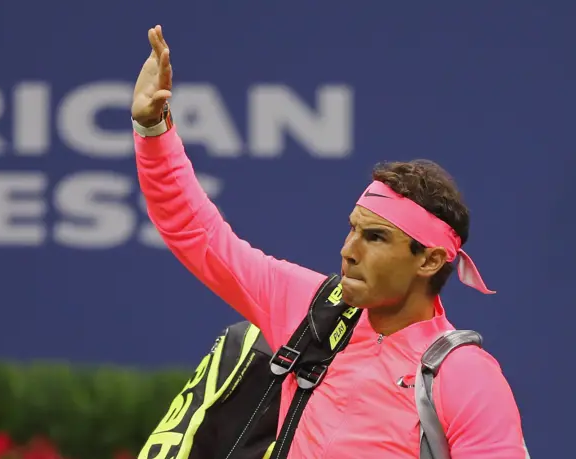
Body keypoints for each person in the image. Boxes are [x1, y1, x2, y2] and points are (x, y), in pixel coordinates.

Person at [131, 25, 529, 458]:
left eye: (375, 237)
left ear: (429, 260)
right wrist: (152, 128)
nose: (349, 250)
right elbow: (197, 233)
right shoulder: (313, 308)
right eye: (353, 229)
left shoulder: (466, 376)